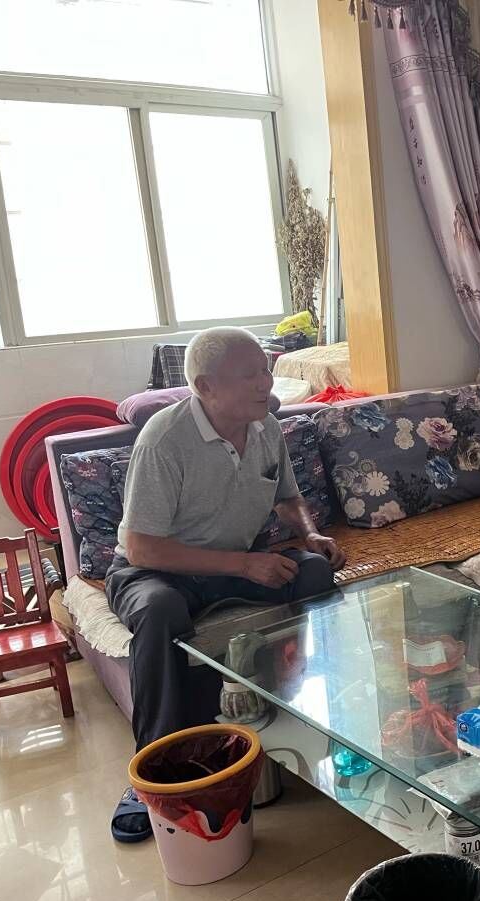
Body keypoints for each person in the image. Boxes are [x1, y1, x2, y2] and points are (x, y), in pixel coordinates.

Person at [107, 327, 345, 842]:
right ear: (205, 386)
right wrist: (243, 565)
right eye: (249, 375)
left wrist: (309, 533)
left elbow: (287, 498)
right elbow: (143, 547)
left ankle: (300, 716)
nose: (266, 383)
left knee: (313, 571)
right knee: (159, 609)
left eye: (265, 370)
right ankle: (152, 771)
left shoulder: (265, 427)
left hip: (235, 564)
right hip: (156, 571)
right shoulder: (164, 440)